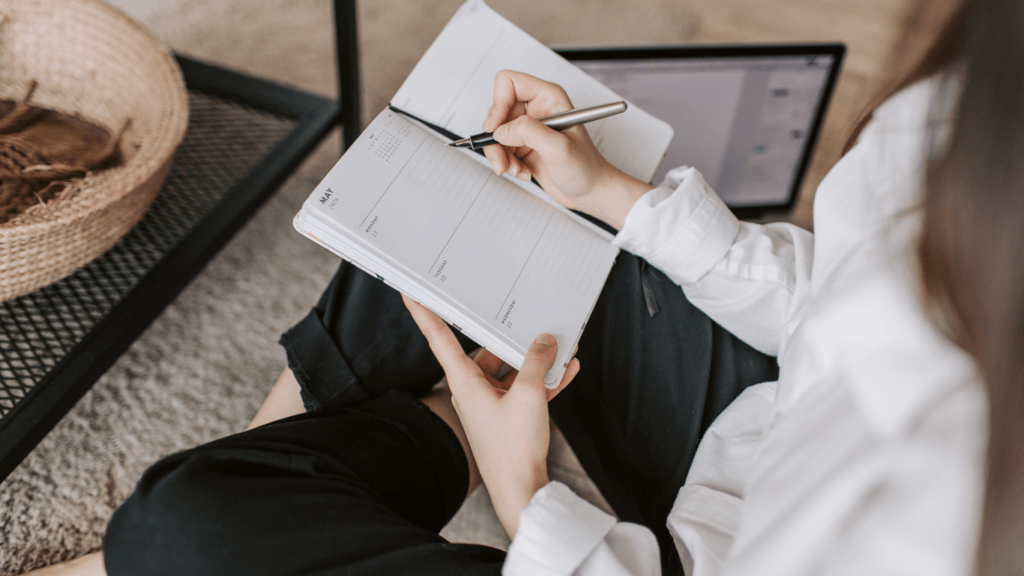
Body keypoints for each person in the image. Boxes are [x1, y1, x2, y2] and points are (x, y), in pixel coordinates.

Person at [27, 0, 1023, 573]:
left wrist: (525, 491)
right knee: (466, 202)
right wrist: (616, 195)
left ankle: (361, 465)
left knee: (175, 528)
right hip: (763, 415)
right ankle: (313, 463)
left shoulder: (952, 518)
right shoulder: (977, 107)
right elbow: (838, 300)